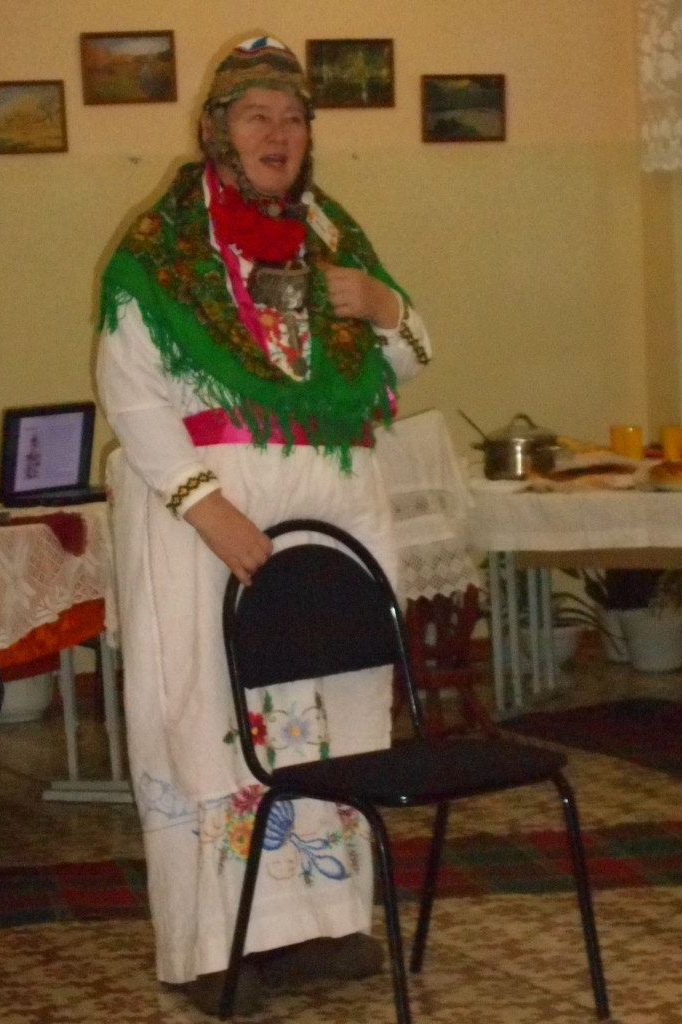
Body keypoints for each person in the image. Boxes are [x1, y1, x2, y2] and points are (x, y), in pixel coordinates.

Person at [97, 34, 431, 1016]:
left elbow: (400, 362)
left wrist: (387, 307)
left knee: (331, 717)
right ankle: (215, 944)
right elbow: (131, 389)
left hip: (331, 519)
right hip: (212, 526)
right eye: (256, 117)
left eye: (292, 118)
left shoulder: (331, 232)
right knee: (209, 718)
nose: (278, 134)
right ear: (217, 131)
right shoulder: (161, 248)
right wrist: (206, 506)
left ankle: (323, 925)